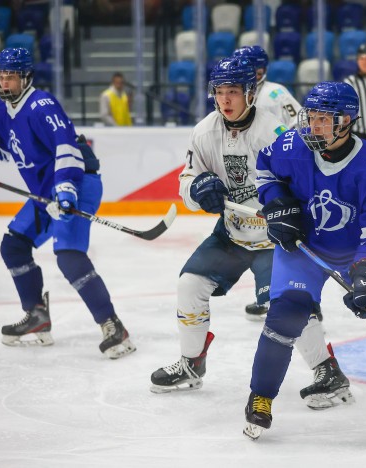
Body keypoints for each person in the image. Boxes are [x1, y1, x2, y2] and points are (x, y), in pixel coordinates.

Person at [149, 58, 353, 410]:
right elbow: (186, 178)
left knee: (288, 301)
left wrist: (290, 211)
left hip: (274, 241)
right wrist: (197, 188)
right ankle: (191, 363)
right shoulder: (203, 132)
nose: (225, 100)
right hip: (232, 233)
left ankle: (327, 370)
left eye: (233, 92)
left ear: (250, 93)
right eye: (220, 92)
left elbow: (302, 183)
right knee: (189, 285)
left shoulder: (273, 133)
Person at [243, 81, 366, 440]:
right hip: (304, 248)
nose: (313, 126)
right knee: (284, 316)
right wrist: (276, 202)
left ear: (347, 121)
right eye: (311, 117)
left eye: (323, 119)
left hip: (356, 250)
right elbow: (265, 168)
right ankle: (260, 398)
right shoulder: (291, 145)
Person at [0, 48, 135, 359]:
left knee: (68, 256)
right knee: (13, 246)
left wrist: (65, 187)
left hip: (78, 183)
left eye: (10, 76)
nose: (4, 82)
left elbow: (66, 146)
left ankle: (113, 326)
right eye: (0, 76)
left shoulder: (42, 105)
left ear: (26, 77)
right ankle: (37, 316)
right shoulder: (1, 110)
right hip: (44, 193)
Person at [232, 45, 303, 319]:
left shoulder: (275, 92)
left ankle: (309, 302)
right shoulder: (239, 92)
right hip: (253, 175)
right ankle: (266, 295)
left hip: (278, 172)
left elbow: (299, 123)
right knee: (261, 240)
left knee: (286, 236)